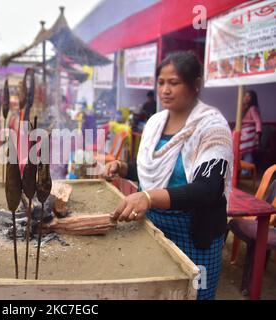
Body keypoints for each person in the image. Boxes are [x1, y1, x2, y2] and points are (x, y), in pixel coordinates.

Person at [103, 51, 233, 300]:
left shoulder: (212, 126)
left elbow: (208, 189)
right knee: (157, 292)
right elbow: (153, 167)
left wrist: (148, 198)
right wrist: (121, 167)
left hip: (197, 233)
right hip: (155, 226)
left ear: (195, 84)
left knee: (195, 293)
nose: (165, 90)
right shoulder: (155, 123)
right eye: (161, 83)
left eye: (174, 82)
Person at [240, 90, 262, 174]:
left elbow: (258, 121)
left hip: (249, 133)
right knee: (245, 153)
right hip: (245, 133)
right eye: (245, 96)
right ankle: (244, 171)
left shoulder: (253, 108)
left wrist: (258, 133)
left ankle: (246, 171)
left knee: (246, 152)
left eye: (249, 96)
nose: (246, 98)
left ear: (253, 98)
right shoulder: (246, 108)